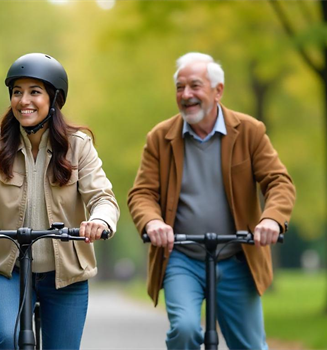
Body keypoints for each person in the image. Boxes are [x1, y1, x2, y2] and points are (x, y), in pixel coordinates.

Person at [0, 53, 120, 350]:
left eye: (34, 92)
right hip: (8, 270)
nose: (24, 100)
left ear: (54, 99)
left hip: (66, 276)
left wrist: (100, 221)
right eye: (17, 92)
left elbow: (102, 197)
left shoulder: (78, 146)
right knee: (10, 340)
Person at [128, 52, 295, 349]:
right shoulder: (159, 137)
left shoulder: (250, 131)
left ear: (218, 91)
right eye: (180, 87)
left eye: (195, 86)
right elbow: (142, 194)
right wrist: (153, 221)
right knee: (186, 330)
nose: (186, 94)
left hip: (237, 256)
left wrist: (271, 219)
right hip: (181, 256)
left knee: (251, 346)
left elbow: (278, 182)